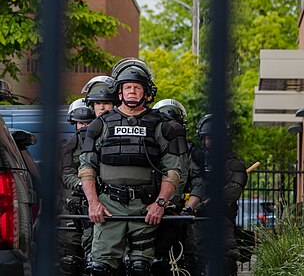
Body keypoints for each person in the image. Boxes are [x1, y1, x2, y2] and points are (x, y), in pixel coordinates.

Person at [78, 58, 187, 276]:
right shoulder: (100, 125)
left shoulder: (161, 126)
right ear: (119, 92)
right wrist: (93, 204)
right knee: (100, 268)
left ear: (146, 93)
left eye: (137, 87)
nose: (132, 92)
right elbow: (86, 167)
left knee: (141, 268)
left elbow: (173, 170)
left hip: (145, 207)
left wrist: (160, 204)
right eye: (127, 87)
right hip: (109, 206)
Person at [151, 99, 203, 275]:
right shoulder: (147, 146)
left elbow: (198, 183)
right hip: (147, 210)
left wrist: (188, 209)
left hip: (177, 214)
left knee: (188, 257)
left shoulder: (191, 152)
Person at [193, 114, 248, 276]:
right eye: (209, 137)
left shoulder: (233, 163)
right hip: (195, 222)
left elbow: (233, 191)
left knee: (226, 261)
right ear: (202, 139)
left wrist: (207, 204)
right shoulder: (194, 162)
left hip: (221, 220)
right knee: (192, 260)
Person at [58, 98, 96, 276]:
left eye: (88, 122)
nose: (84, 127)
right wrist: (80, 184)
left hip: (99, 206)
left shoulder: (102, 143)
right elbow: (65, 174)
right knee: (70, 258)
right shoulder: (67, 147)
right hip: (72, 206)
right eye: (81, 122)